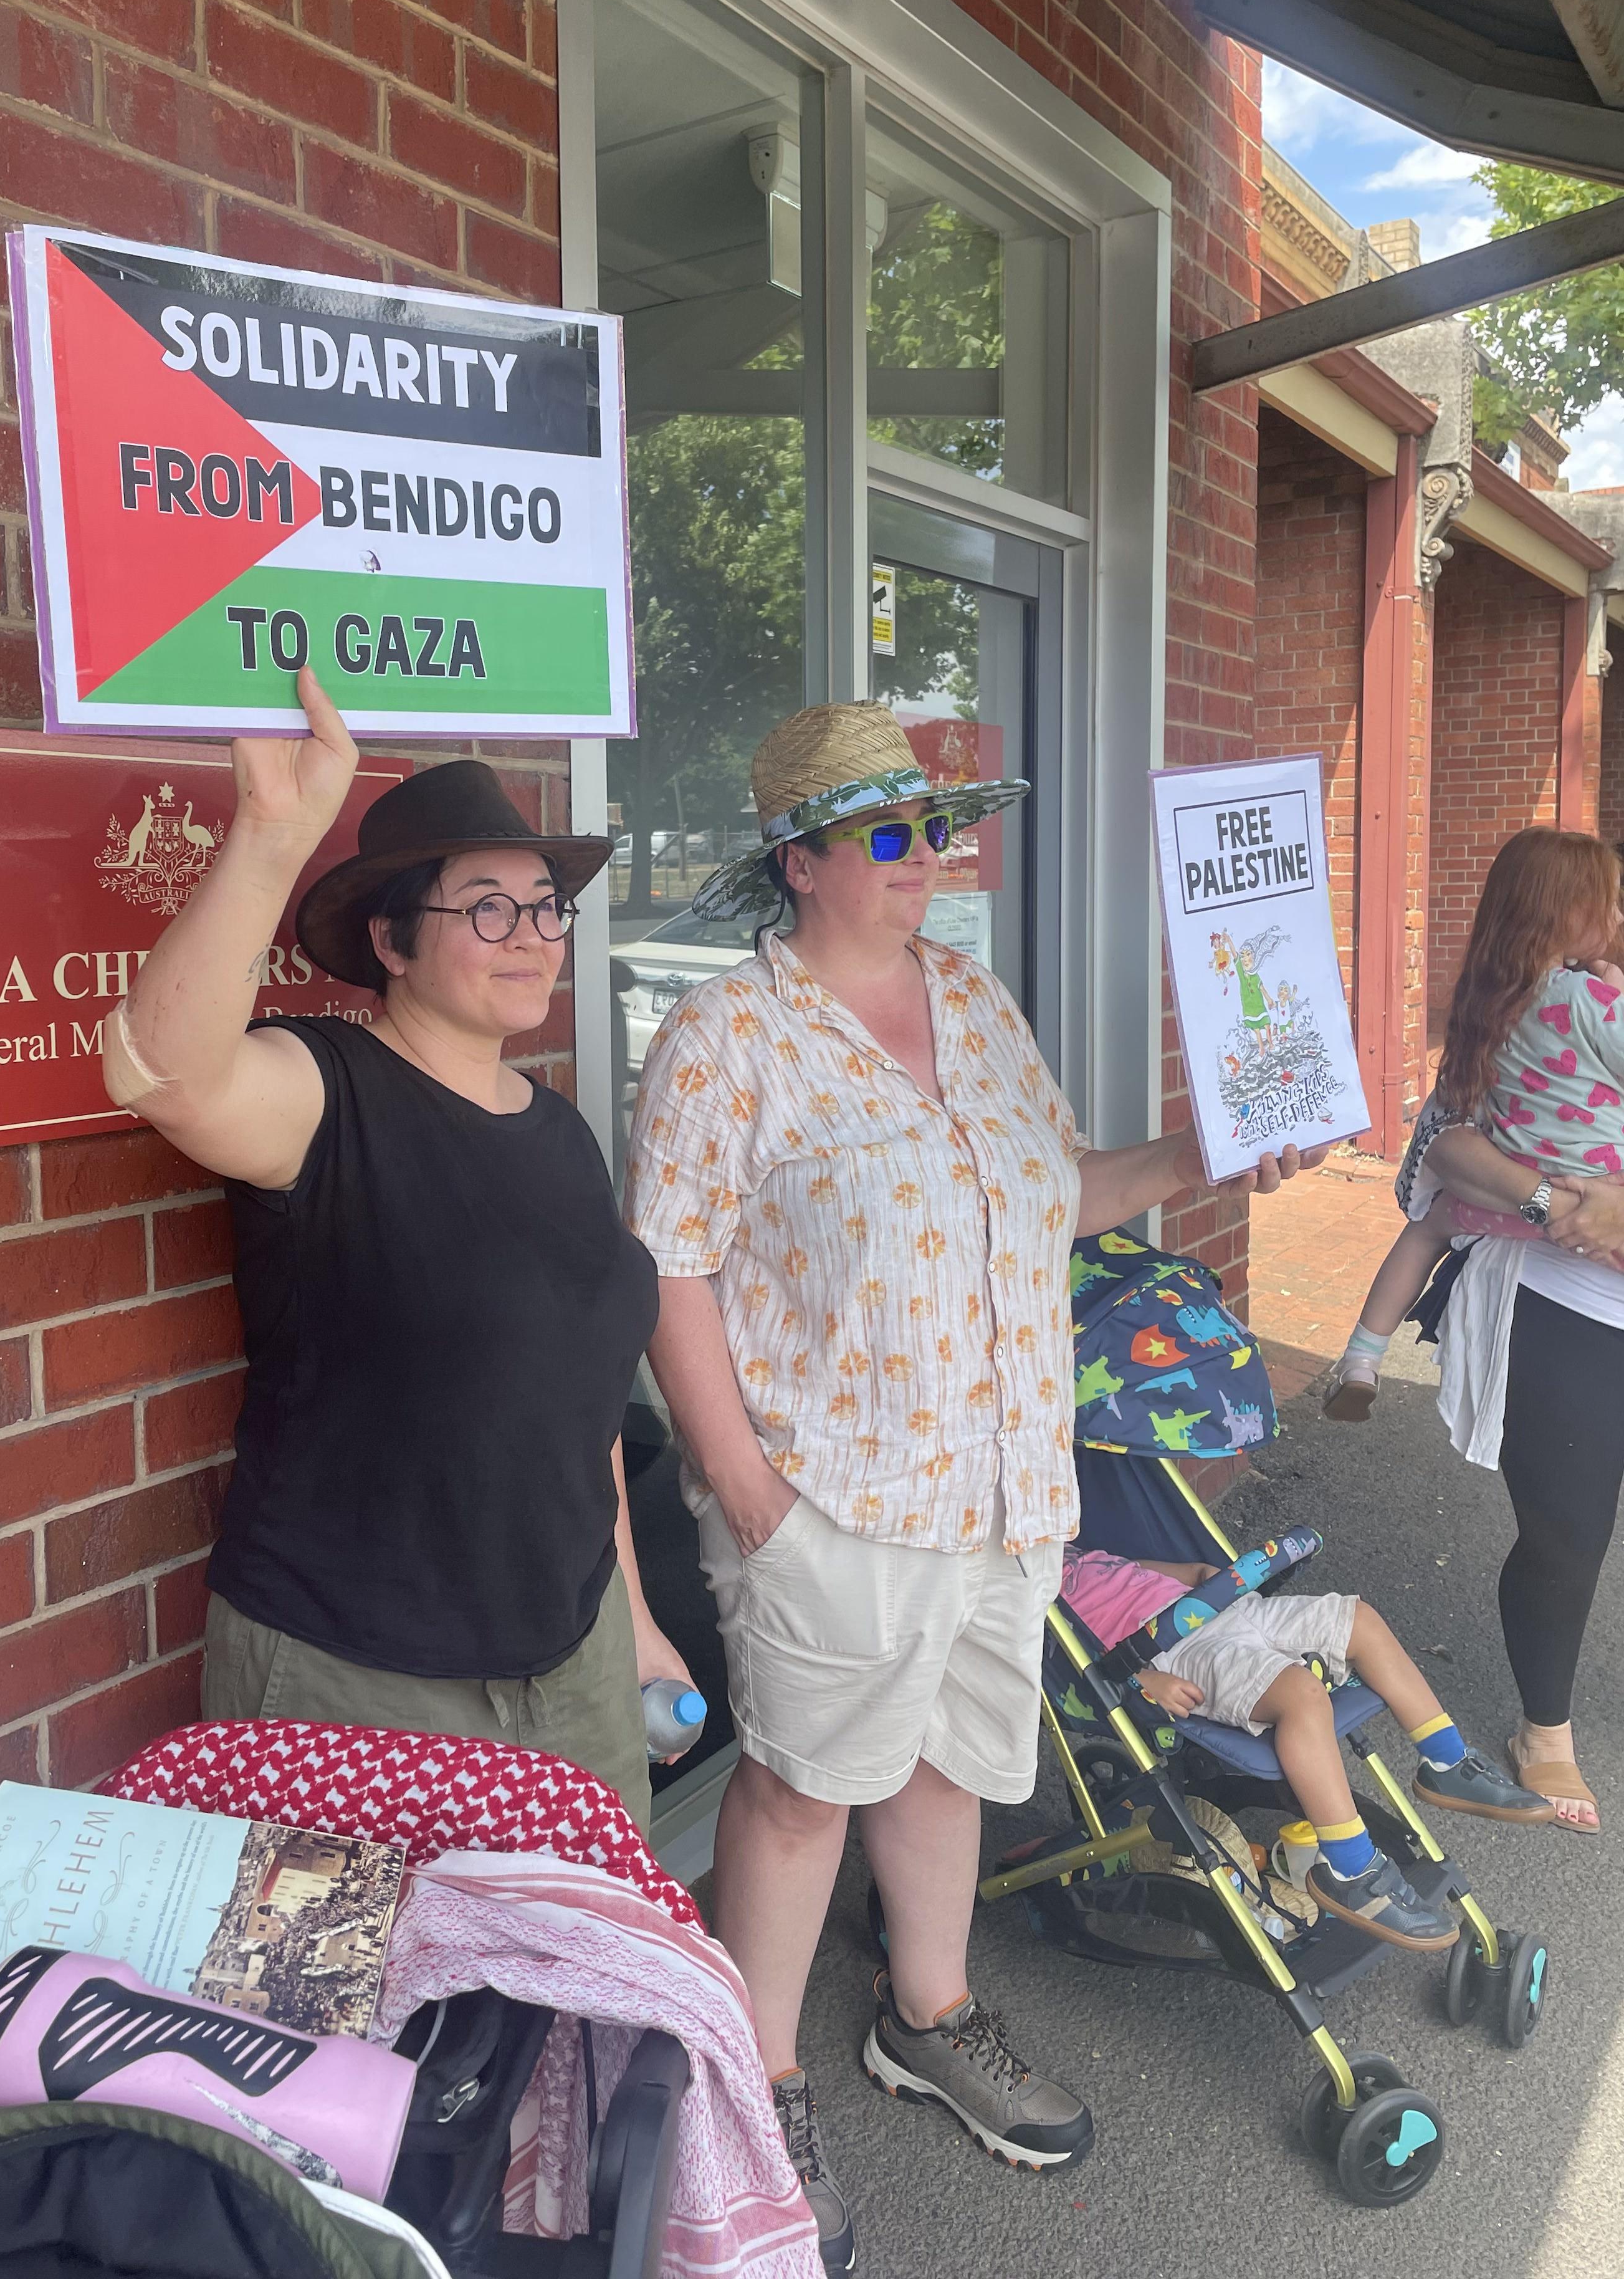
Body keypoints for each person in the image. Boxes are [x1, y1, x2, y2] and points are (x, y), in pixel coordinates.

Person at [623, 702, 1324, 2272]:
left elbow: (1053, 1191)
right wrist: (742, 1484)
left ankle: (926, 2012)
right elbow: (663, 1269)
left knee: (948, 1766)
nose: (929, 858)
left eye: (938, 828)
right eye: (889, 833)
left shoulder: (975, 999)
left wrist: (1201, 1150)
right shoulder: (727, 1038)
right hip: (835, 1498)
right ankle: (760, 2081)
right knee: (804, 1795)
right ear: (799, 863)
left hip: (1008, 1487)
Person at [103, 666, 690, 1828]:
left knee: (557, 1996)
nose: (529, 938)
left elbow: (577, 1420)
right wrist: (273, 835)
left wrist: (635, 1620)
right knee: (345, 2011)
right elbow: (160, 1072)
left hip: (570, 1672)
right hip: (350, 1679)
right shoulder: (329, 1094)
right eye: (485, 907)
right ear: (392, 938)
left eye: (543, 907)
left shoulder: (559, 1130)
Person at [1380, 827, 1624, 1835]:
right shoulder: (1536, 1010)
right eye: (1603, 899)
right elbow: (1430, 1160)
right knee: (1566, 1533)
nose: (1614, 918)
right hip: (1554, 1305)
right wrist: (1547, 1201)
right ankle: (1542, 1729)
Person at [1061, 1546, 1553, 1946]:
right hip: (1171, 1652)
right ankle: (1350, 1868)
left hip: (1231, 1612)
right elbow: (1065, 1656)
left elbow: (1191, 1571)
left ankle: (1447, 1760)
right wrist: (1142, 1679)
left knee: (1359, 1619)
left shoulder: (1094, 1557)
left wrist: (1223, 1579)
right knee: (1302, 1695)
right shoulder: (1037, 1589)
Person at [1324, 842, 1624, 1421]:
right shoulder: (1591, 999)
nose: (1617, 918)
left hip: (1512, 1201)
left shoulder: (1485, 1000)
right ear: (1568, 912)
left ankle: (1362, 1357)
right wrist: (1613, 991)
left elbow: (1458, 1111)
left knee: (1426, 1229)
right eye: (1609, 904)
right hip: (1599, 1198)